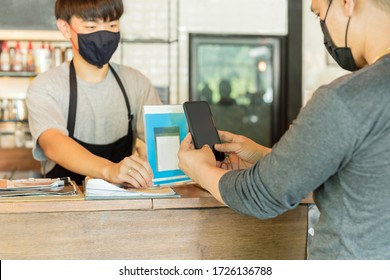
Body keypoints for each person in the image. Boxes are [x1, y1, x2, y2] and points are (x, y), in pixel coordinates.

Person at [178, 0, 390, 259]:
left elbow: (260, 195)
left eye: (319, 14)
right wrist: (267, 158)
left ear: (347, 3)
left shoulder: (345, 98)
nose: (323, 27)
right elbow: (367, 177)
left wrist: (198, 169)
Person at [26, 0, 162, 187]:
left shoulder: (137, 83)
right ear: (65, 29)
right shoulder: (47, 86)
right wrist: (109, 170)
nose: (104, 34)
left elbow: (161, 138)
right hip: (64, 206)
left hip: (123, 206)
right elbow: (53, 143)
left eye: (112, 25)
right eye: (91, 26)